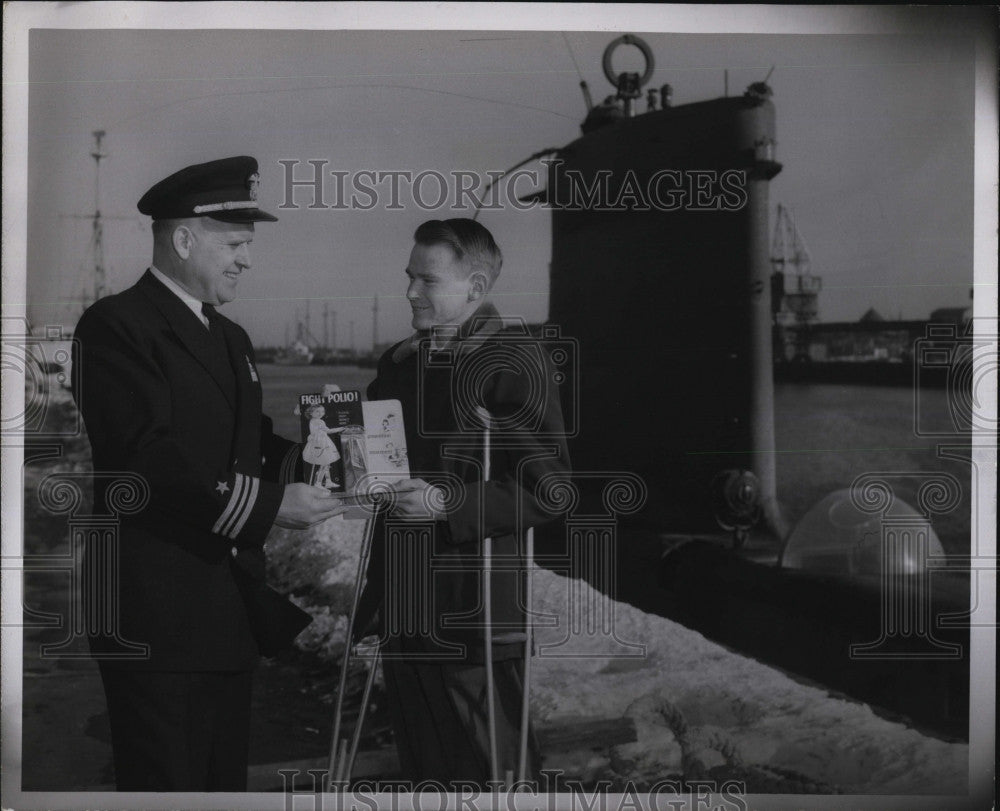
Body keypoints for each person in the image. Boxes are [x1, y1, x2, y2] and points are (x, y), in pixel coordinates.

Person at [71, 155, 346, 791]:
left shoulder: (231, 339)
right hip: (155, 621)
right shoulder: (116, 326)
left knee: (222, 788)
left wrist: (325, 453)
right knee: (167, 788)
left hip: (225, 615)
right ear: (184, 238)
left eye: (249, 245)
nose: (247, 259)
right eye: (236, 243)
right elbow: (146, 458)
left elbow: (249, 445)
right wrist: (274, 506)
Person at [356, 218, 571, 785]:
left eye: (427, 281)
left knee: (492, 773)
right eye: (409, 277)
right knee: (425, 771)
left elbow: (549, 489)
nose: (410, 292)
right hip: (405, 606)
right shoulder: (399, 366)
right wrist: (345, 444)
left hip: (474, 614)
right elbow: (385, 467)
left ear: (474, 289)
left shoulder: (512, 361)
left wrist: (444, 505)